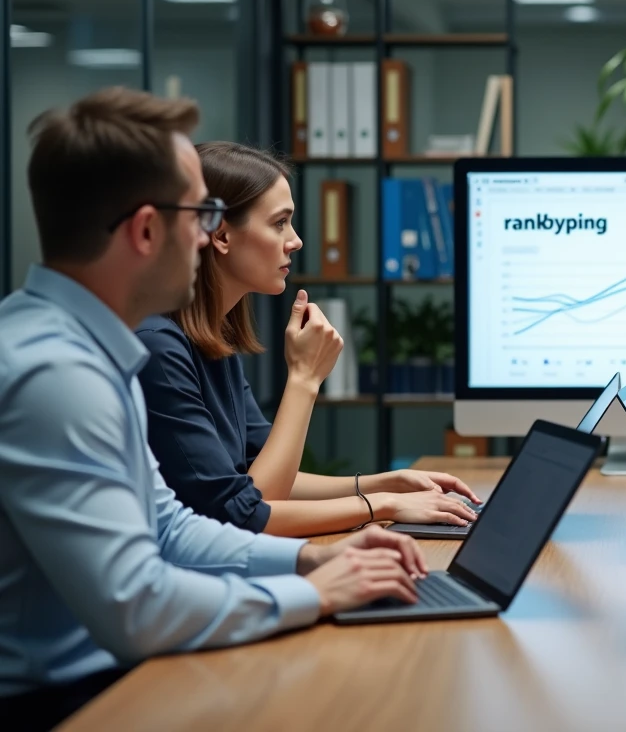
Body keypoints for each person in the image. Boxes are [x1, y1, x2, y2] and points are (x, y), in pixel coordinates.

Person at [0, 88, 429, 731]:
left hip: (111, 676)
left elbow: (170, 526)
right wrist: (312, 593)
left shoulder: (87, 347)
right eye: (201, 214)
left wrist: (310, 559)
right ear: (147, 229)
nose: (208, 236)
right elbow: (137, 606)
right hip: (66, 703)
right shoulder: (54, 374)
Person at [135, 141, 480, 537]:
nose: (295, 240)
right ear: (222, 236)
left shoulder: (213, 338)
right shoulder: (160, 348)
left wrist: (383, 483)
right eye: (280, 223)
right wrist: (304, 379)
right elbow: (246, 514)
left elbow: (268, 474)